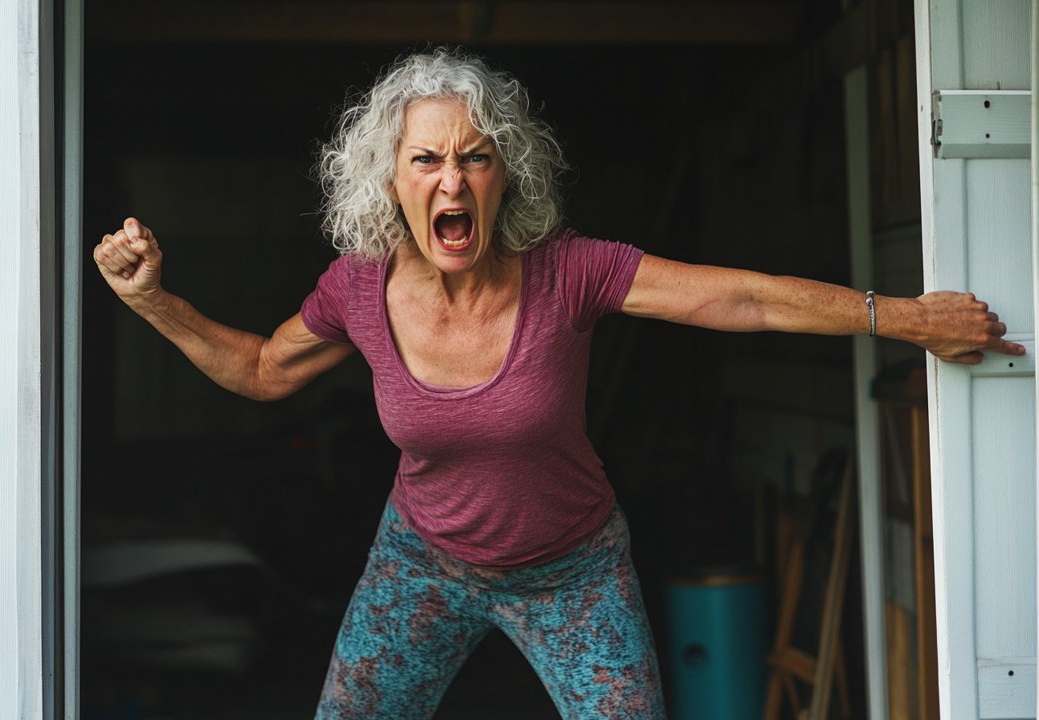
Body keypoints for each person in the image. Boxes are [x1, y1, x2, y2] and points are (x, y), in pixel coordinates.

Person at [93, 48, 1024, 720]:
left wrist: (904, 317)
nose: (450, 178)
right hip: (420, 563)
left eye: (474, 155)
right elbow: (258, 370)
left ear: (505, 176)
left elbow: (738, 298)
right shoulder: (358, 291)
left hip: (574, 570)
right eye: (427, 159)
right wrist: (152, 300)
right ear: (392, 181)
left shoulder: (569, 271)